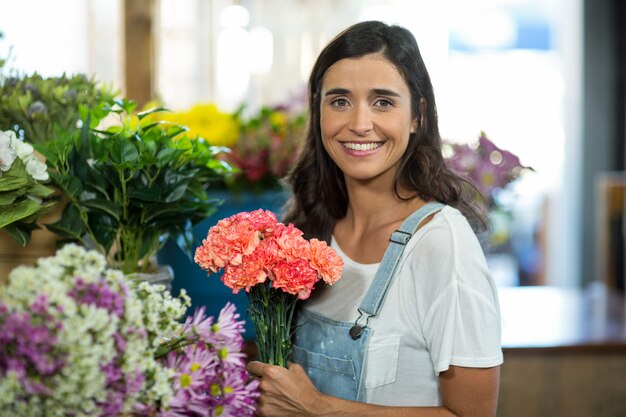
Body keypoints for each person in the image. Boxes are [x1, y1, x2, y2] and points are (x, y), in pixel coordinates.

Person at [247, 20, 503, 417]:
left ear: (417, 116)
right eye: (340, 101)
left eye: (383, 102)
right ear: (318, 112)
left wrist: (320, 408)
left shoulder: (440, 242)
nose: (359, 123)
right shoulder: (308, 230)